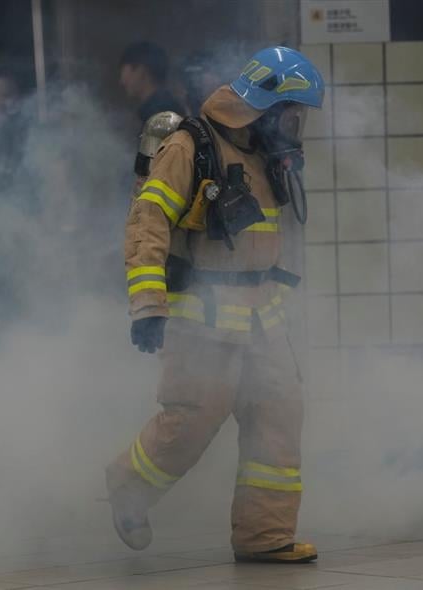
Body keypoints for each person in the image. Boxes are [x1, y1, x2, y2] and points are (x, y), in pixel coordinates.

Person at [106, 47, 324, 564]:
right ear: (268, 106)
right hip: (201, 322)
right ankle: (129, 486)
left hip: (262, 323)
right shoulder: (189, 147)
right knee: (189, 427)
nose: (298, 124)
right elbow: (147, 224)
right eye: (294, 112)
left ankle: (264, 535)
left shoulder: (268, 156)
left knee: (278, 423)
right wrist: (147, 305)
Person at [119, 41, 185, 123]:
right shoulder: (162, 109)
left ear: (141, 71)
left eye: (124, 73)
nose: (121, 82)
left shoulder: (161, 114)